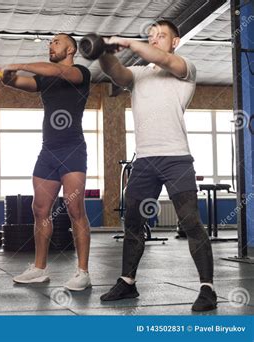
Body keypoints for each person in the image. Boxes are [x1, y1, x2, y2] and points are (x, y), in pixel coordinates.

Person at [98, 20, 216, 311]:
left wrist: (127, 43)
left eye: (161, 36)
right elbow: (115, 71)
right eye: (151, 36)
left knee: (190, 222)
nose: (154, 40)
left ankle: (208, 289)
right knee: (134, 223)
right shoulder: (138, 74)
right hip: (145, 161)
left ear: (175, 42)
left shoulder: (184, 68)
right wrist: (102, 51)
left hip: (177, 158)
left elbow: (161, 59)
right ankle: (127, 282)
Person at [2, 33, 92, 291]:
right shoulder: (44, 78)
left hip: (73, 149)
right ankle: (40, 269)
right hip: (48, 151)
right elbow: (16, 83)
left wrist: (18, 64)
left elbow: (57, 72)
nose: (51, 45)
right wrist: (5, 76)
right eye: (50, 42)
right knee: (40, 209)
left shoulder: (80, 73)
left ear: (71, 48)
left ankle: (83, 272)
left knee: (76, 211)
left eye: (56, 41)